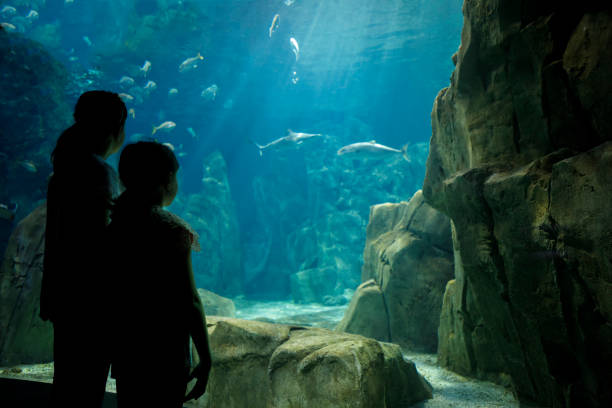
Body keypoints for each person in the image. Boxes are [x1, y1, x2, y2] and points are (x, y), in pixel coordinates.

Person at [107, 141, 212, 407]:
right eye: (175, 176)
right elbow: (190, 300)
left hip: (127, 346)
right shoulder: (172, 229)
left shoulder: (114, 221)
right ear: (167, 179)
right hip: (165, 350)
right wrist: (206, 357)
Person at [41, 90, 127, 407]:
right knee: (85, 390)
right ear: (116, 128)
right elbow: (104, 242)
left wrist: (47, 295)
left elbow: (55, 242)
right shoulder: (99, 172)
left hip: (65, 295)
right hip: (93, 299)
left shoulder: (63, 170)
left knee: (66, 386)